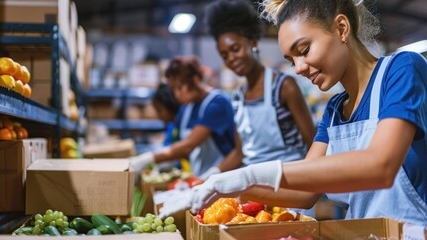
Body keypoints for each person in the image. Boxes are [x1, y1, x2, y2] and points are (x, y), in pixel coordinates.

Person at [159, 0, 427, 225]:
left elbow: (380, 166)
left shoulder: (401, 70)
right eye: (291, 60)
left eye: (304, 50)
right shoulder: (334, 111)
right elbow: (305, 194)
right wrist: (228, 187)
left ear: (341, 28)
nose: (298, 68)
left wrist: (249, 175)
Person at [204, 0, 315, 173]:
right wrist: (211, 175)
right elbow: (240, 154)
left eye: (235, 49)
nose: (231, 58)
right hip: (254, 186)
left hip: (289, 183)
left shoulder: (284, 86)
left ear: (253, 43)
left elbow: (312, 141)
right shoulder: (238, 97)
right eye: (224, 55)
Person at [130, 56, 240, 182]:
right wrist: (162, 164)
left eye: (180, 87)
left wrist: (148, 159)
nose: (177, 95)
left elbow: (189, 145)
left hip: (223, 177)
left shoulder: (217, 104)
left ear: (196, 79)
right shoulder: (187, 108)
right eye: (173, 89)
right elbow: (178, 145)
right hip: (201, 178)